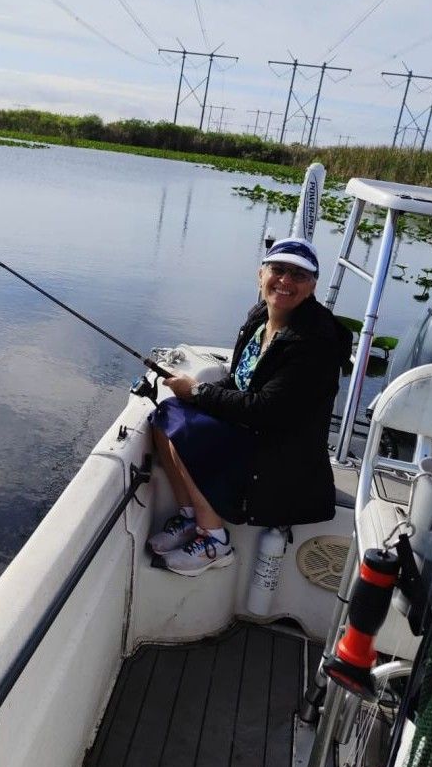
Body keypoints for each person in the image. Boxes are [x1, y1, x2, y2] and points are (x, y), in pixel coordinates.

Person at [148, 236, 353, 576]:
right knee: (162, 418)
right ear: (261, 275)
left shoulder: (314, 343)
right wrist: (195, 392)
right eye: (279, 270)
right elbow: (241, 381)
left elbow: (265, 410)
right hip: (255, 433)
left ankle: (214, 540)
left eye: (299, 276)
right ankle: (189, 517)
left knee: (185, 425)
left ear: (313, 286)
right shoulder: (260, 319)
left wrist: (198, 392)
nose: (285, 281)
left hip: (280, 459)